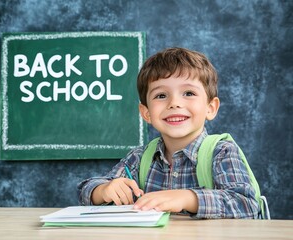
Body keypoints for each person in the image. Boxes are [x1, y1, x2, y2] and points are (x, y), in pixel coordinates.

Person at [77, 47, 260, 219]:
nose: (174, 103)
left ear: (210, 108)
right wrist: (103, 190)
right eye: (161, 96)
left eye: (188, 93)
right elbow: (85, 189)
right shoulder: (140, 158)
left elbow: (246, 204)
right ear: (146, 113)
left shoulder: (221, 152)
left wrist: (188, 198)